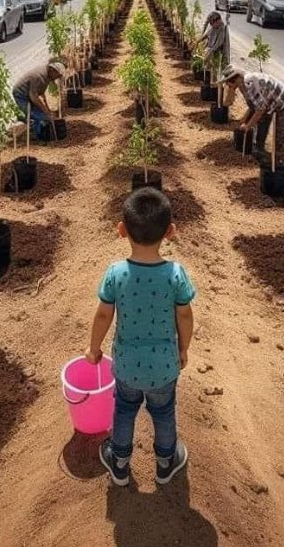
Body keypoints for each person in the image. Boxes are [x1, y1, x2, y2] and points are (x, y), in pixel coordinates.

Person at [86, 187, 195, 486]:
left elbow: (103, 315)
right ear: (170, 232)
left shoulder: (115, 273)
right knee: (163, 412)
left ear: (121, 230)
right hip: (164, 366)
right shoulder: (176, 274)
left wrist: (93, 348)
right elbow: (185, 316)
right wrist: (183, 349)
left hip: (126, 365)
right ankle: (165, 462)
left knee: (124, 409)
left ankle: (119, 462)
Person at [220, 65, 284, 166]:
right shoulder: (243, 85)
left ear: (235, 80)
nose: (227, 85)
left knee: (280, 136)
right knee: (261, 122)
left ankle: (278, 163)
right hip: (268, 103)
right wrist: (244, 119)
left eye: (228, 83)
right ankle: (259, 150)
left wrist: (248, 126)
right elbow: (253, 106)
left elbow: (260, 109)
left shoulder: (249, 83)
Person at [12, 62, 66, 139]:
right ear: (52, 70)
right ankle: (37, 135)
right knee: (36, 114)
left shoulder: (48, 75)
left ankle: (32, 125)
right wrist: (45, 111)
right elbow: (34, 97)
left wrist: (47, 108)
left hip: (30, 94)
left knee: (41, 113)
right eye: (57, 75)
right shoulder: (39, 77)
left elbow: (41, 93)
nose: (57, 78)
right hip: (21, 95)